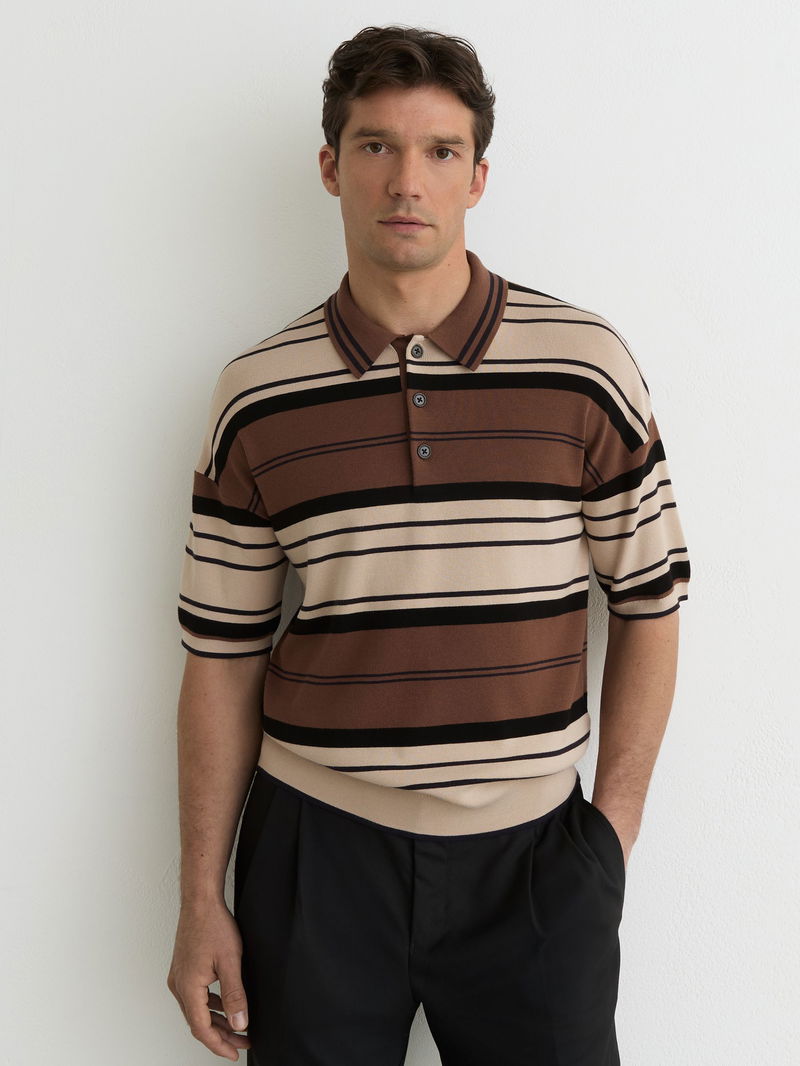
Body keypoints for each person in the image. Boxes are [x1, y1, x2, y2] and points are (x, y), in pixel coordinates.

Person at [167, 24, 691, 1066]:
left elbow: (650, 603)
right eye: (375, 146)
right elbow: (220, 656)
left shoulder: (583, 367)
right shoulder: (257, 394)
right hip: (316, 858)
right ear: (331, 167)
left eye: (440, 150)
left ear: (477, 178)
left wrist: (609, 838)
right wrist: (198, 897)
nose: (406, 180)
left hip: (535, 866)